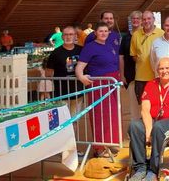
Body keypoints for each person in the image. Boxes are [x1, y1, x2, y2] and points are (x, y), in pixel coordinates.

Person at [127, 58, 169, 181]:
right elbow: (145, 110)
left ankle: (153, 171)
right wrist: (148, 130)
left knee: (158, 127)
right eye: (161, 68)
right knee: (134, 125)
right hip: (152, 120)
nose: (164, 71)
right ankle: (140, 168)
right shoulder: (151, 84)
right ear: (157, 70)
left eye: (167, 68)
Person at [75, 21, 121, 156]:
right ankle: (99, 147)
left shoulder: (109, 45)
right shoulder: (90, 47)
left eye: (106, 31)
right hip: (99, 85)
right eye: (101, 31)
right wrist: (82, 78)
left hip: (112, 84)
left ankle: (110, 143)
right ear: (95, 33)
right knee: (99, 117)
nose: (103, 33)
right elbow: (79, 68)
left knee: (112, 116)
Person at [131, 11, 164, 116]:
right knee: (143, 107)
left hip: (157, 77)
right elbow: (134, 55)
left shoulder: (161, 33)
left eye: (149, 18)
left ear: (154, 19)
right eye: (144, 19)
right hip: (140, 78)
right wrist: (143, 62)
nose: (146, 21)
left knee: (157, 105)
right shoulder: (136, 35)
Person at [46, 25, 83, 116]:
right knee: (63, 119)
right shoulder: (55, 53)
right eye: (66, 34)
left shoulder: (81, 50)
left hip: (78, 91)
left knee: (74, 118)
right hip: (61, 93)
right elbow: (48, 72)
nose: (68, 37)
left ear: (75, 36)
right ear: (62, 37)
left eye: (71, 34)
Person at [120, 11, 141, 120]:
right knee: (133, 105)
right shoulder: (126, 37)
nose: (135, 20)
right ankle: (135, 129)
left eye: (138, 18)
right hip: (130, 76)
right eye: (133, 18)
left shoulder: (145, 35)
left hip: (145, 75)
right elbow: (121, 56)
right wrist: (122, 75)